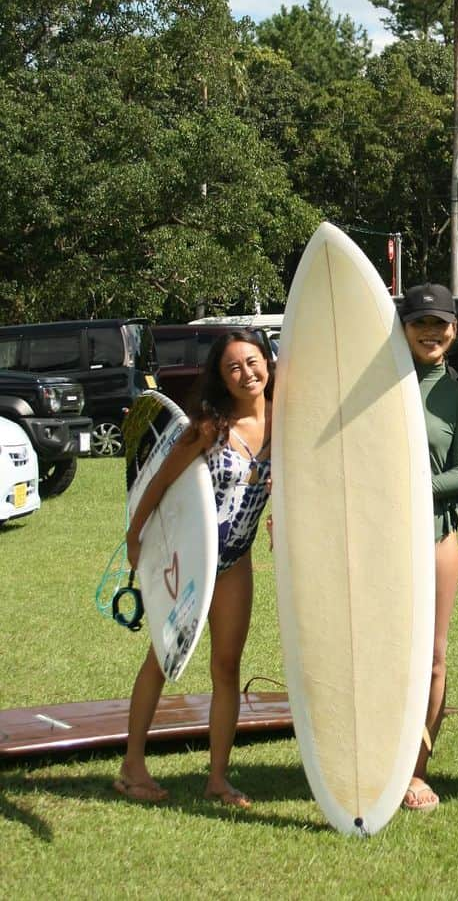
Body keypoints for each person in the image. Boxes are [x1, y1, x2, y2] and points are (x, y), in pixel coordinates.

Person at [114, 329, 273, 808]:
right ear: (221, 378)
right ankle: (132, 766)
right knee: (163, 655)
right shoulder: (209, 427)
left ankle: (218, 779)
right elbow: (157, 483)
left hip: (235, 562)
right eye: (233, 368)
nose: (247, 373)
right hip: (190, 557)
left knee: (227, 667)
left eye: (252, 361)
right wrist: (135, 538)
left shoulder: (288, 425)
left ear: (268, 362)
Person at [399, 282, 458, 812]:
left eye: (440, 325)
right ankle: (375, 758)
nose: (431, 333)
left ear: (454, 331)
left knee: (431, 658)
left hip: (435, 536)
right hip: (375, 540)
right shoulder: (374, 386)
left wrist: (405, 485)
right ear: (404, 328)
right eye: (420, 324)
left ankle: (416, 770)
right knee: (381, 653)